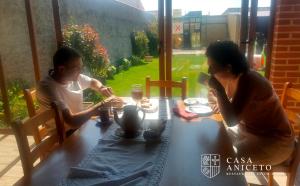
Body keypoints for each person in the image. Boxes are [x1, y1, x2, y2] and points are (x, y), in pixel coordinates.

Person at [205, 41, 294, 165]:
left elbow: (231, 120)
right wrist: (216, 92)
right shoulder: (232, 77)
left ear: (228, 67)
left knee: (226, 158)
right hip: (249, 131)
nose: (209, 71)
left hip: (275, 142)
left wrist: (219, 90)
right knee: (217, 140)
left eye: (212, 67)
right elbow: (222, 102)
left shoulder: (249, 80)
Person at [37, 47, 118, 133]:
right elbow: (71, 122)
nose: (80, 71)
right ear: (61, 69)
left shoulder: (72, 77)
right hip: (64, 136)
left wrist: (101, 88)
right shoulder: (47, 87)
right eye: (77, 68)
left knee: (114, 130)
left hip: (81, 127)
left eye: (81, 68)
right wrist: (98, 107)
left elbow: (92, 82)